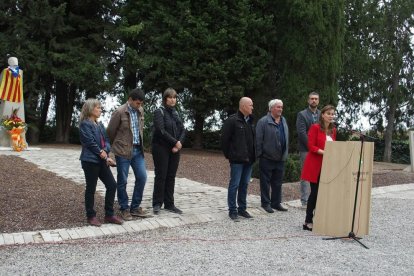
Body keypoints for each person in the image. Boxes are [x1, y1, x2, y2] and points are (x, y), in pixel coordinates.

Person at [107, 88, 151, 221]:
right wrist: (117, 145)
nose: (140, 106)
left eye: (141, 103)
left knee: (142, 177)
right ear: (130, 99)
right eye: (137, 103)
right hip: (122, 152)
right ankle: (124, 208)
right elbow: (110, 131)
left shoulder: (141, 111)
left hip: (138, 151)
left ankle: (135, 207)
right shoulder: (119, 112)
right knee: (123, 180)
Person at [79, 98, 123, 226]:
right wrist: (101, 152)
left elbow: (107, 141)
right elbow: (89, 142)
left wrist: (105, 150)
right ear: (90, 109)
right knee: (91, 188)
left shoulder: (100, 124)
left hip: (101, 160)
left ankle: (109, 215)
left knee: (112, 185)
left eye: (100, 107)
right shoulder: (85, 124)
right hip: (90, 161)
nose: (100, 109)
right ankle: (91, 216)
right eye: (98, 107)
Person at [301, 105, 337, 231]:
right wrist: (325, 152)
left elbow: (335, 147)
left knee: (324, 193)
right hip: (315, 165)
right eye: (328, 113)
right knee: (315, 193)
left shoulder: (333, 130)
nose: (331, 116)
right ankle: (307, 221)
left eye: (333, 114)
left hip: (328, 166)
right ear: (322, 115)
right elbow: (311, 146)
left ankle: (321, 219)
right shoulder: (315, 128)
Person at [151, 88, 186, 214]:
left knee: (171, 176)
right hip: (161, 147)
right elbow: (161, 131)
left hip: (175, 149)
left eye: (175, 97)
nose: (173, 99)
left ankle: (169, 204)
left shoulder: (176, 113)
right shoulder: (159, 112)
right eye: (170, 97)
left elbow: (183, 130)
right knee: (161, 175)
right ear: (165, 99)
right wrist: (175, 142)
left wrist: (179, 143)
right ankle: (157, 203)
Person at [221, 97, 255, 220]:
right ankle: (232, 210)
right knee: (234, 184)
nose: (252, 107)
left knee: (244, 184)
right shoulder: (232, 121)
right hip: (237, 160)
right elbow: (224, 140)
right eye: (250, 105)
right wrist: (229, 155)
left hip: (249, 160)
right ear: (243, 106)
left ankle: (242, 209)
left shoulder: (250, 121)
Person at [256, 99, 289, 213]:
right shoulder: (263, 121)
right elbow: (258, 140)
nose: (280, 109)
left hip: (280, 158)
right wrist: (260, 155)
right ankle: (265, 203)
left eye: (281, 107)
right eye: (278, 107)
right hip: (267, 158)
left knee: (278, 182)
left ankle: (276, 203)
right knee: (265, 182)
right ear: (271, 108)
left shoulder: (283, 120)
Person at [296, 92, 320, 207]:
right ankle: (305, 200)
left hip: (320, 150)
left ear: (318, 101)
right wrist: (311, 146)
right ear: (308, 100)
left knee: (319, 173)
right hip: (306, 149)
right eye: (312, 99)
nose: (314, 101)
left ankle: (317, 198)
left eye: (316, 99)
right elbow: (301, 133)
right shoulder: (302, 114)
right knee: (306, 174)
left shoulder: (322, 114)